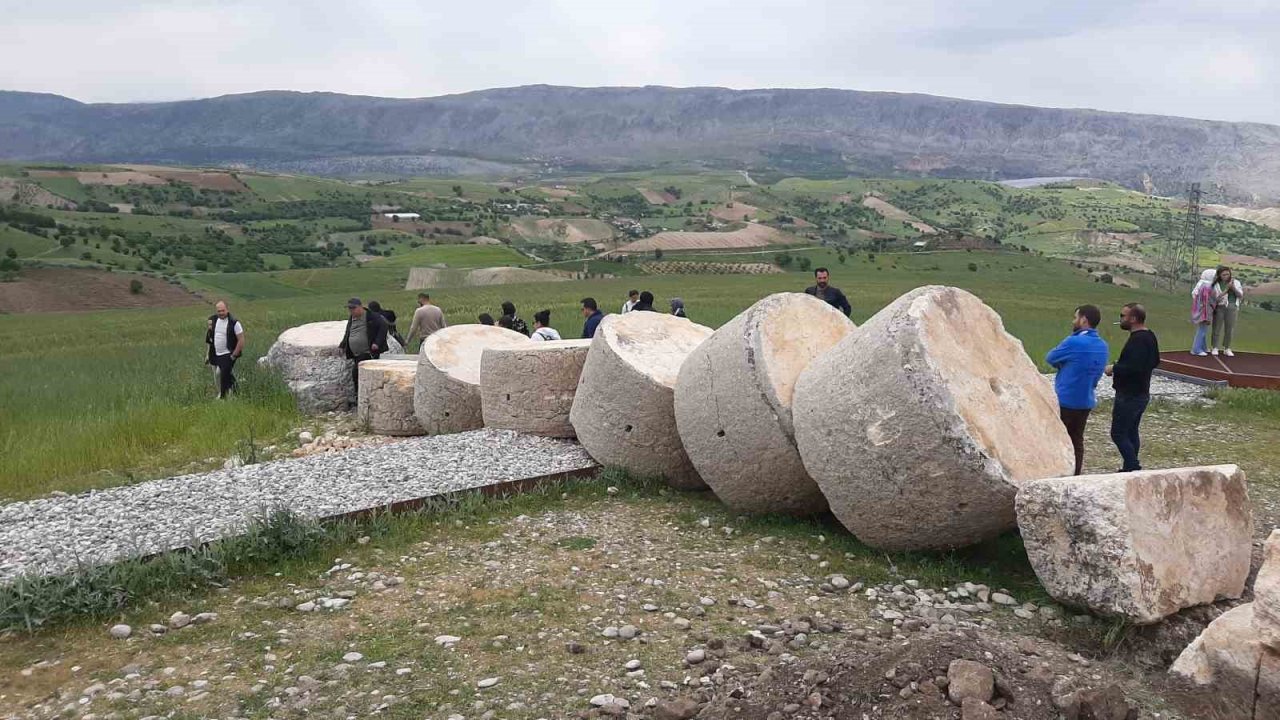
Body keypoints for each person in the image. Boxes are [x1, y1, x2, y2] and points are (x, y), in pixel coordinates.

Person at [1045, 305, 1109, 475]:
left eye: (1076, 317)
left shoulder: (1073, 341)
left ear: (1084, 320)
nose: (1074, 321)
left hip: (1065, 399)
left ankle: (1055, 472)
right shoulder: (1102, 345)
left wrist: (1064, 365)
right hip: (1086, 399)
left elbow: (1051, 357)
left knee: (1058, 439)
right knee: (1077, 440)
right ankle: (1075, 474)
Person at [1105, 303, 1160, 473]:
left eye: (1123, 316)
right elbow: (1154, 361)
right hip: (1142, 393)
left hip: (1129, 394)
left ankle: (1133, 466)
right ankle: (1129, 467)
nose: (1120, 319)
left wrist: (1114, 368)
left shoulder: (1138, 340)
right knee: (1131, 431)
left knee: (1118, 433)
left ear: (1133, 319)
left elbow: (1133, 368)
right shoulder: (1150, 336)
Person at [339, 297, 388, 395]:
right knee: (356, 374)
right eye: (349, 308)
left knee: (356, 373)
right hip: (356, 353)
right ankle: (360, 395)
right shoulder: (352, 318)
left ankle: (361, 396)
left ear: (360, 307)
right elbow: (348, 331)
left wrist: (377, 343)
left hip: (367, 352)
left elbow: (384, 326)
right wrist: (343, 344)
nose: (351, 311)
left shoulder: (371, 316)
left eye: (353, 308)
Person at [205, 300, 244, 399]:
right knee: (224, 374)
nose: (221, 313)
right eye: (219, 311)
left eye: (223, 310)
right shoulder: (213, 321)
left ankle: (223, 397)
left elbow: (241, 340)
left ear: (227, 309)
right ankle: (235, 393)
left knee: (221, 373)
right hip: (216, 354)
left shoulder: (234, 323)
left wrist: (233, 355)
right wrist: (208, 354)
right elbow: (210, 339)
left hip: (228, 353)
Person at [1211, 266, 1244, 357]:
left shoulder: (1236, 282)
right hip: (1220, 307)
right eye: (1223, 274)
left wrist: (1233, 288)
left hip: (1232, 306)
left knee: (1229, 329)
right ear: (1219, 275)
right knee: (1216, 328)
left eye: (1228, 274)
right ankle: (1214, 347)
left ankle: (1227, 348)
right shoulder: (1216, 284)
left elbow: (1240, 296)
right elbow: (1216, 298)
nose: (1226, 276)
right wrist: (1226, 290)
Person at [1189, 269, 1218, 357]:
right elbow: (1210, 300)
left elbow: (1195, 295)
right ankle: (1196, 349)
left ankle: (1203, 346)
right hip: (1205, 311)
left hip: (1200, 309)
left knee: (1203, 329)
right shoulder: (1208, 286)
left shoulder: (1201, 284)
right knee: (1202, 330)